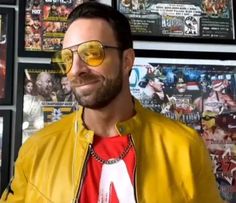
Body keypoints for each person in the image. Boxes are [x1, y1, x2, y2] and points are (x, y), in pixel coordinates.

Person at [0, 2, 223, 203]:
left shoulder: (185, 147)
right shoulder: (36, 150)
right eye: (68, 57)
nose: (76, 69)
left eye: (92, 53)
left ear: (127, 60)